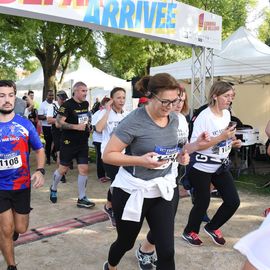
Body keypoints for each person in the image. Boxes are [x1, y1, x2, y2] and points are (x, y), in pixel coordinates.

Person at [102, 73, 190, 270]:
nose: (170, 106)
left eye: (174, 101)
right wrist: (140, 161)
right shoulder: (134, 121)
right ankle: (111, 265)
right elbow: (108, 155)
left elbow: (171, 152)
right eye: (164, 101)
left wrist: (181, 157)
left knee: (166, 251)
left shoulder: (174, 120)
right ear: (150, 96)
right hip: (133, 190)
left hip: (163, 189)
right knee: (125, 242)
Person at [135, 86, 210, 270]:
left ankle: (145, 250)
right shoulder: (154, 119)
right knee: (129, 234)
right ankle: (136, 249)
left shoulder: (182, 121)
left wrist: (195, 146)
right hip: (146, 180)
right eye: (174, 100)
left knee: (165, 225)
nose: (177, 104)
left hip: (171, 179)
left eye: (182, 100)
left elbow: (183, 149)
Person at [182, 81, 241, 247]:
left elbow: (226, 137)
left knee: (233, 201)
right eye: (226, 96)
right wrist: (221, 138)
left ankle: (212, 227)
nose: (230, 99)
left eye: (232, 96)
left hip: (220, 165)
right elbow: (196, 146)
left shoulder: (227, 114)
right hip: (201, 166)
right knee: (202, 202)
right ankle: (189, 231)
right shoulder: (204, 116)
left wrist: (233, 141)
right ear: (215, 96)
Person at [0, 80, 45, 270]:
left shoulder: (24, 124)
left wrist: (40, 170)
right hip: (0, 187)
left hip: (21, 185)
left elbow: (39, 149)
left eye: (10, 95)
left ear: (15, 97)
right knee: (6, 230)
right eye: (1, 96)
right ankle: (12, 266)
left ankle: (10, 234)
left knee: (20, 228)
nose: (6, 100)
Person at [49, 82, 95, 208]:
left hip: (82, 142)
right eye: (82, 91)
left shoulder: (85, 104)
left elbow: (85, 119)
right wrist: (76, 127)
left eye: (86, 90)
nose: (85, 93)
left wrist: (88, 127)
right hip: (68, 142)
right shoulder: (66, 105)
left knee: (84, 169)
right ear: (75, 91)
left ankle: (81, 198)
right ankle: (53, 188)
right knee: (63, 169)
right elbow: (58, 123)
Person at [95, 87, 129, 227]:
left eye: (123, 97)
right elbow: (98, 128)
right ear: (112, 99)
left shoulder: (127, 114)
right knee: (117, 182)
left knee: (119, 183)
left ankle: (109, 206)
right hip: (108, 154)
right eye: (118, 97)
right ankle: (115, 210)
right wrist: (107, 111)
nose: (121, 100)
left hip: (124, 155)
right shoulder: (104, 113)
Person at [47, 90, 68, 183]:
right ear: (58, 98)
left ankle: (62, 171)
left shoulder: (67, 106)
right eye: (62, 99)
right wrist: (61, 119)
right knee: (60, 152)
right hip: (57, 132)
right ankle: (61, 175)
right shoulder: (52, 106)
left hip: (66, 131)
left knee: (65, 152)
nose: (63, 101)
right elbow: (49, 120)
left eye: (64, 99)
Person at [91, 96, 111, 183]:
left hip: (105, 139)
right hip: (99, 139)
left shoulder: (106, 113)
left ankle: (106, 174)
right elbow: (94, 128)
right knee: (100, 158)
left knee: (105, 157)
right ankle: (101, 176)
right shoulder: (99, 113)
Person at [38, 90, 54, 165]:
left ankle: (53, 153)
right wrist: (48, 117)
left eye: (52, 95)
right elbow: (39, 116)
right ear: (46, 96)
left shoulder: (55, 104)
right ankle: (48, 158)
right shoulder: (43, 105)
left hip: (55, 126)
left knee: (57, 141)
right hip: (46, 126)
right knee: (48, 142)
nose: (51, 97)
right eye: (50, 95)